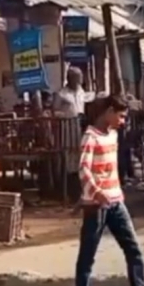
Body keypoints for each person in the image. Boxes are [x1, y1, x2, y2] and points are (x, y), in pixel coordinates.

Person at [71, 94, 144, 286]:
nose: (122, 122)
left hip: (116, 201)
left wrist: (113, 194)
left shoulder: (113, 135)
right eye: (120, 116)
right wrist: (96, 192)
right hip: (96, 204)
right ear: (109, 112)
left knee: (133, 250)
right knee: (88, 255)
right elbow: (83, 170)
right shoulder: (90, 137)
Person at [54, 67, 87, 202]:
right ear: (70, 78)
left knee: (81, 160)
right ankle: (68, 192)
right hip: (67, 131)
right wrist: (69, 115)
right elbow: (55, 112)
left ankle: (79, 192)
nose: (80, 80)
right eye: (77, 77)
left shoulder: (81, 92)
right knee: (69, 162)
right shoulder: (61, 94)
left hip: (79, 130)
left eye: (80, 77)